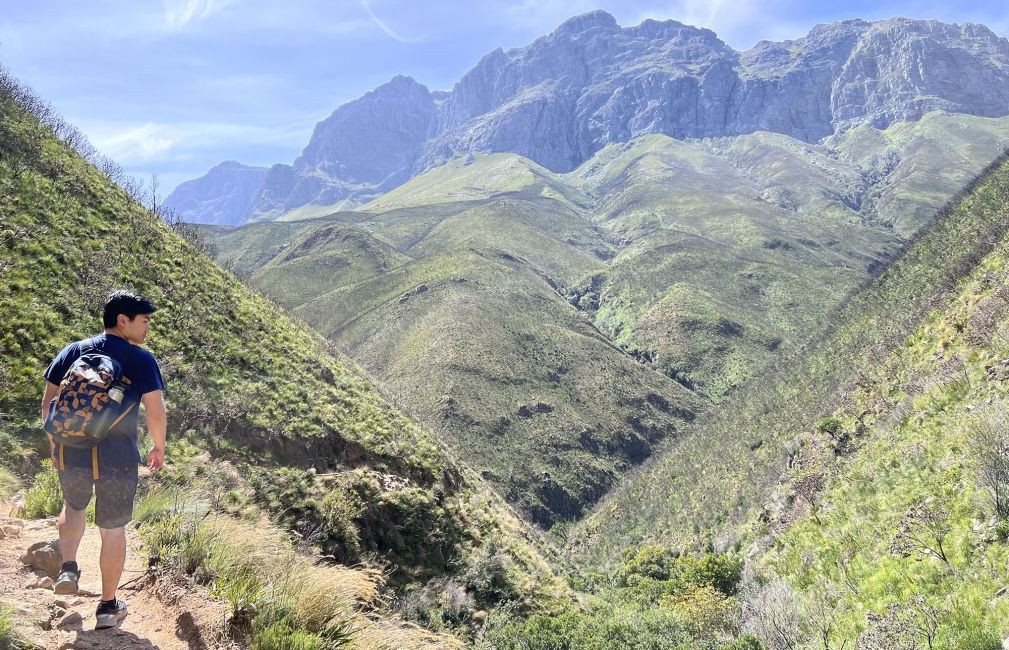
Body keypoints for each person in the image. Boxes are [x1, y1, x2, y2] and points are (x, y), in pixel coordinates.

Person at [41, 290, 166, 630]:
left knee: (73, 506)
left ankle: (68, 567)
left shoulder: (73, 351)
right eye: (144, 321)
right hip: (118, 458)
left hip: (71, 451)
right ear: (122, 320)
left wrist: (56, 444)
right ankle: (108, 608)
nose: (147, 327)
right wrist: (159, 447)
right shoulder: (141, 359)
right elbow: (155, 412)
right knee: (112, 530)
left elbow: (48, 404)